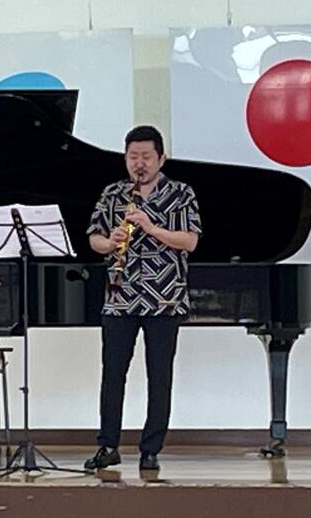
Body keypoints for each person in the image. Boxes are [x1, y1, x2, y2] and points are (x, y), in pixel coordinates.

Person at [84, 126, 202, 471]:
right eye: (133, 157)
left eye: (146, 157)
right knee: (112, 374)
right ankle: (108, 445)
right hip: (120, 296)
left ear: (161, 158)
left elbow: (190, 241)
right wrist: (109, 242)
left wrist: (151, 227)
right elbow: (94, 237)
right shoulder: (113, 193)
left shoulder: (181, 193)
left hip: (164, 298)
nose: (140, 164)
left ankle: (151, 448)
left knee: (159, 375)